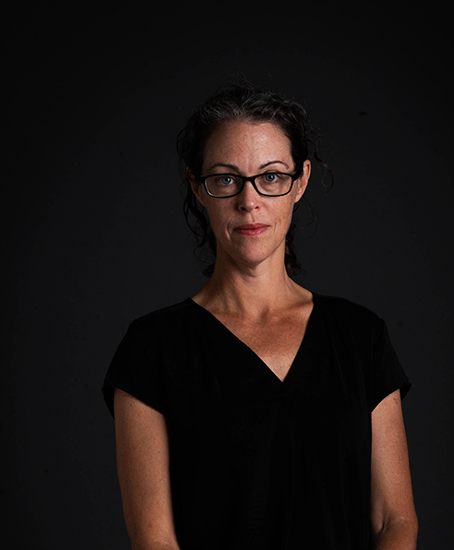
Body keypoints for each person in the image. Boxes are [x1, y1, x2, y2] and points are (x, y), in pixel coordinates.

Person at [103, 80, 418, 550]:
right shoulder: (152, 349)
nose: (249, 201)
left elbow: (393, 522)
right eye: (226, 178)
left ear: (301, 180)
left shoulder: (360, 337)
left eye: (270, 176)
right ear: (197, 185)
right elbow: (155, 540)